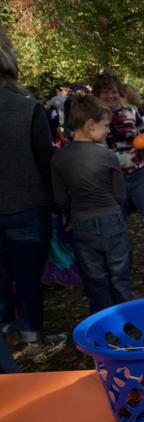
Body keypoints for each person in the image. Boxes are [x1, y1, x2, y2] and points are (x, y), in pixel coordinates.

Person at [0, 28, 66, 362]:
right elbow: (46, 163)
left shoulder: (27, 108)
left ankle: (8, 334)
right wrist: (60, 204)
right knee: (26, 276)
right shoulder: (25, 109)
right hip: (26, 205)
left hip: (23, 204)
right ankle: (32, 338)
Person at [51, 95, 132, 313]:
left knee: (94, 277)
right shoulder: (107, 156)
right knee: (119, 274)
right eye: (105, 125)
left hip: (81, 222)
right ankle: (128, 321)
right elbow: (120, 194)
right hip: (111, 219)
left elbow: (60, 197)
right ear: (90, 124)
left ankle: (104, 324)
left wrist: (67, 214)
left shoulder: (59, 157)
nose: (108, 130)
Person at [92, 71, 144, 270]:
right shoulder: (94, 118)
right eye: (106, 92)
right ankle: (124, 263)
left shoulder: (130, 112)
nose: (111, 96)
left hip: (137, 174)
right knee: (118, 221)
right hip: (111, 177)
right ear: (98, 95)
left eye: (114, 91)